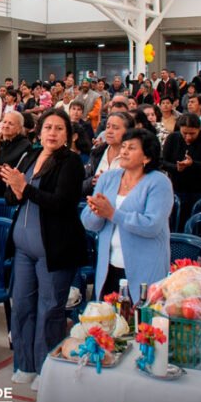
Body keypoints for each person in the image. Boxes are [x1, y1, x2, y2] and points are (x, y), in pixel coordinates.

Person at [0, 109, 86, 387]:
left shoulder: (70, 162)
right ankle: (25, 364)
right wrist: (14, 187)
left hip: (54, 248)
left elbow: (61, 202)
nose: (52, 133)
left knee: (49, 309)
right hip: (24, 248)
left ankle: (48, 367)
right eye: (48, 127)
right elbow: (14, 197)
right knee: (22, 305)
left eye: (59, 129)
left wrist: (25, 188)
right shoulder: (32, 156)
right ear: (39, 131)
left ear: (68, 135)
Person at [81, 129, 173, 301]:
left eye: (131, 148)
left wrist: (112, 213)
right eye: (123, 146)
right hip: (108, 266)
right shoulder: (107, 178)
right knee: (107, 321)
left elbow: (152, 225)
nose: (123, 151)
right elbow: (89, 223)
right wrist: (97, 212)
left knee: (139, 322)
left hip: (145, 267)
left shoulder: (159, 182)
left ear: (146, 157)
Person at [161, 113, 201, 228]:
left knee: (198, 225)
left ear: (199, 129)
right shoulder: (173, 138)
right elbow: (162, 162)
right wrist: (176, 167)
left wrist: (193, 164)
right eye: (184, 133)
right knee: (176, 223)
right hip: (177, 189)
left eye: (192, 133)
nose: (188, 137)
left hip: (200, 190)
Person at [85, 111, 134, 196]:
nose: (109, 131)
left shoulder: (133, 157)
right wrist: (93, 181)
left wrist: (110, 182)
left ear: (128, 131)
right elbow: (81, 185)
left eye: (115, 128)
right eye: (108, 127)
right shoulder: (97, 152)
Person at [0, 111, 31, 200]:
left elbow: (23, 173)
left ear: (19, 128)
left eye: (10, 123)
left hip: (11, 196)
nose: (6, 125)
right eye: (4, 122)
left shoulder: (25, 146)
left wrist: (3, 173)